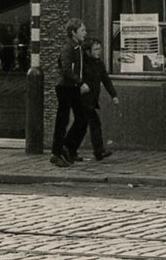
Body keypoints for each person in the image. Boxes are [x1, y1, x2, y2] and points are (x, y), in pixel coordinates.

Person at [49, 20, 89, 167]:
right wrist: (80, 82)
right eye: (82, 30)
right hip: (65, 87)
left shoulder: (78, 47)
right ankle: (56, 153)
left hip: (72, 86)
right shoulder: (68, 48)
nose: (85, 32)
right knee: (63, 120)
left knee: (82, 119)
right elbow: (66, 69)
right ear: (74, 32)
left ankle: (68, 148)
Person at [77, 39, 119, 161]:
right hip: (83, 98)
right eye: (95, 49)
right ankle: (98, 151)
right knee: (93, 123)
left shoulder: (98, 64)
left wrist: (114, 95)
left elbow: (105, 80)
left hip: (92, 99)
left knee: (83, 125)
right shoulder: (82, 65)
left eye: (99, 49)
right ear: (87, 51)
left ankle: (69, 149)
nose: (98, 52)